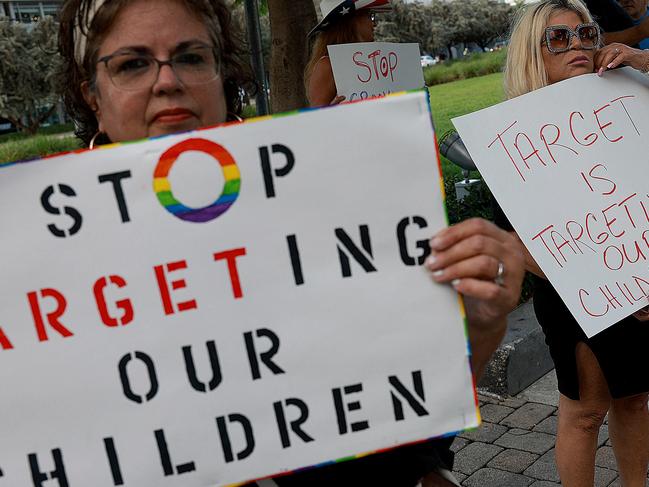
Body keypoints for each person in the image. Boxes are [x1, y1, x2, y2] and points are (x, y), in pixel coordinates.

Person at [57, 1, 525, 486]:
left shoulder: (323, 218)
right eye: (132, 64)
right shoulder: (47, 270)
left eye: (192, 57)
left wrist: (479, 327)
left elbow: (404, 424)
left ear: (222, 76)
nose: (168, 81)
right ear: (92, 95)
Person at [502, 1, 649, 486]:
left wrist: (644, 62)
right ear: (533, 55)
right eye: (558, 39)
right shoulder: (515, 133)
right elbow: (524, 248)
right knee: (584, 413)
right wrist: (620, 290)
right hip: (579, 296)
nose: (578, 46)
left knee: (635, 398)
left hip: (639, 284)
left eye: (585, 33)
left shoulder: (630, 97)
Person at [305, 0, 391, 107]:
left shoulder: (375, 62)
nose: (374, 23)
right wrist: (331, 112)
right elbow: (315, 118)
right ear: (351, 22)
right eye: (369, 16)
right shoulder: (327, 65)